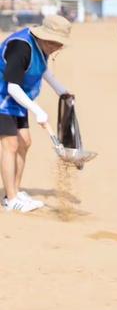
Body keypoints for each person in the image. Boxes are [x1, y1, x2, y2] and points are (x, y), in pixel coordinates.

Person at [0, 14, 72, 213]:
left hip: (16, 100)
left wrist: (61, 90)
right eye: (56, 43)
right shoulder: (21, 48)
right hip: (3, 99)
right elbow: (13, 87)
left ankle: (13, 191)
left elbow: (42, 69)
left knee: (25, 142)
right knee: (10, 144)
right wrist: (38, 111)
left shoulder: (43, 46)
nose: (58, 48)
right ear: (45, 37)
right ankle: (12, 200)